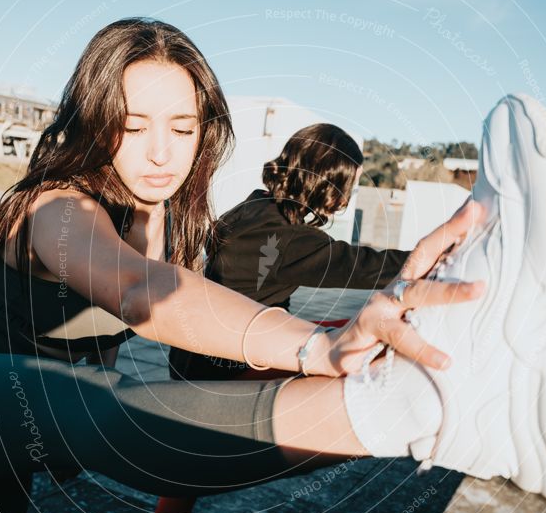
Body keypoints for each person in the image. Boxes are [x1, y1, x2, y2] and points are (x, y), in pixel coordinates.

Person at [0, 18, 546, 513]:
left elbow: (205, 293)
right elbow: (135, 291)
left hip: (18, 410)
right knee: (99, 407)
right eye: (133, 124)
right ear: (95, 122)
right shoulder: (57, 207)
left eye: (182, 129)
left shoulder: (160, 214)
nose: (161, 152)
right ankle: (428, 408)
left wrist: (400, 285)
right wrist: (319, 349)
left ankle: (454, 388)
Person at [169, 123, 411, 381]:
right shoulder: (290, 240)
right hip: (228, 369)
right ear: (330, 182)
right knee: (367, 344)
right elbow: (362, 266)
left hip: (191, 357)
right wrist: (434, 259)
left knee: (341, 328)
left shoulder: (256, 205)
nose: (350, 193)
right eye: (351, 182)